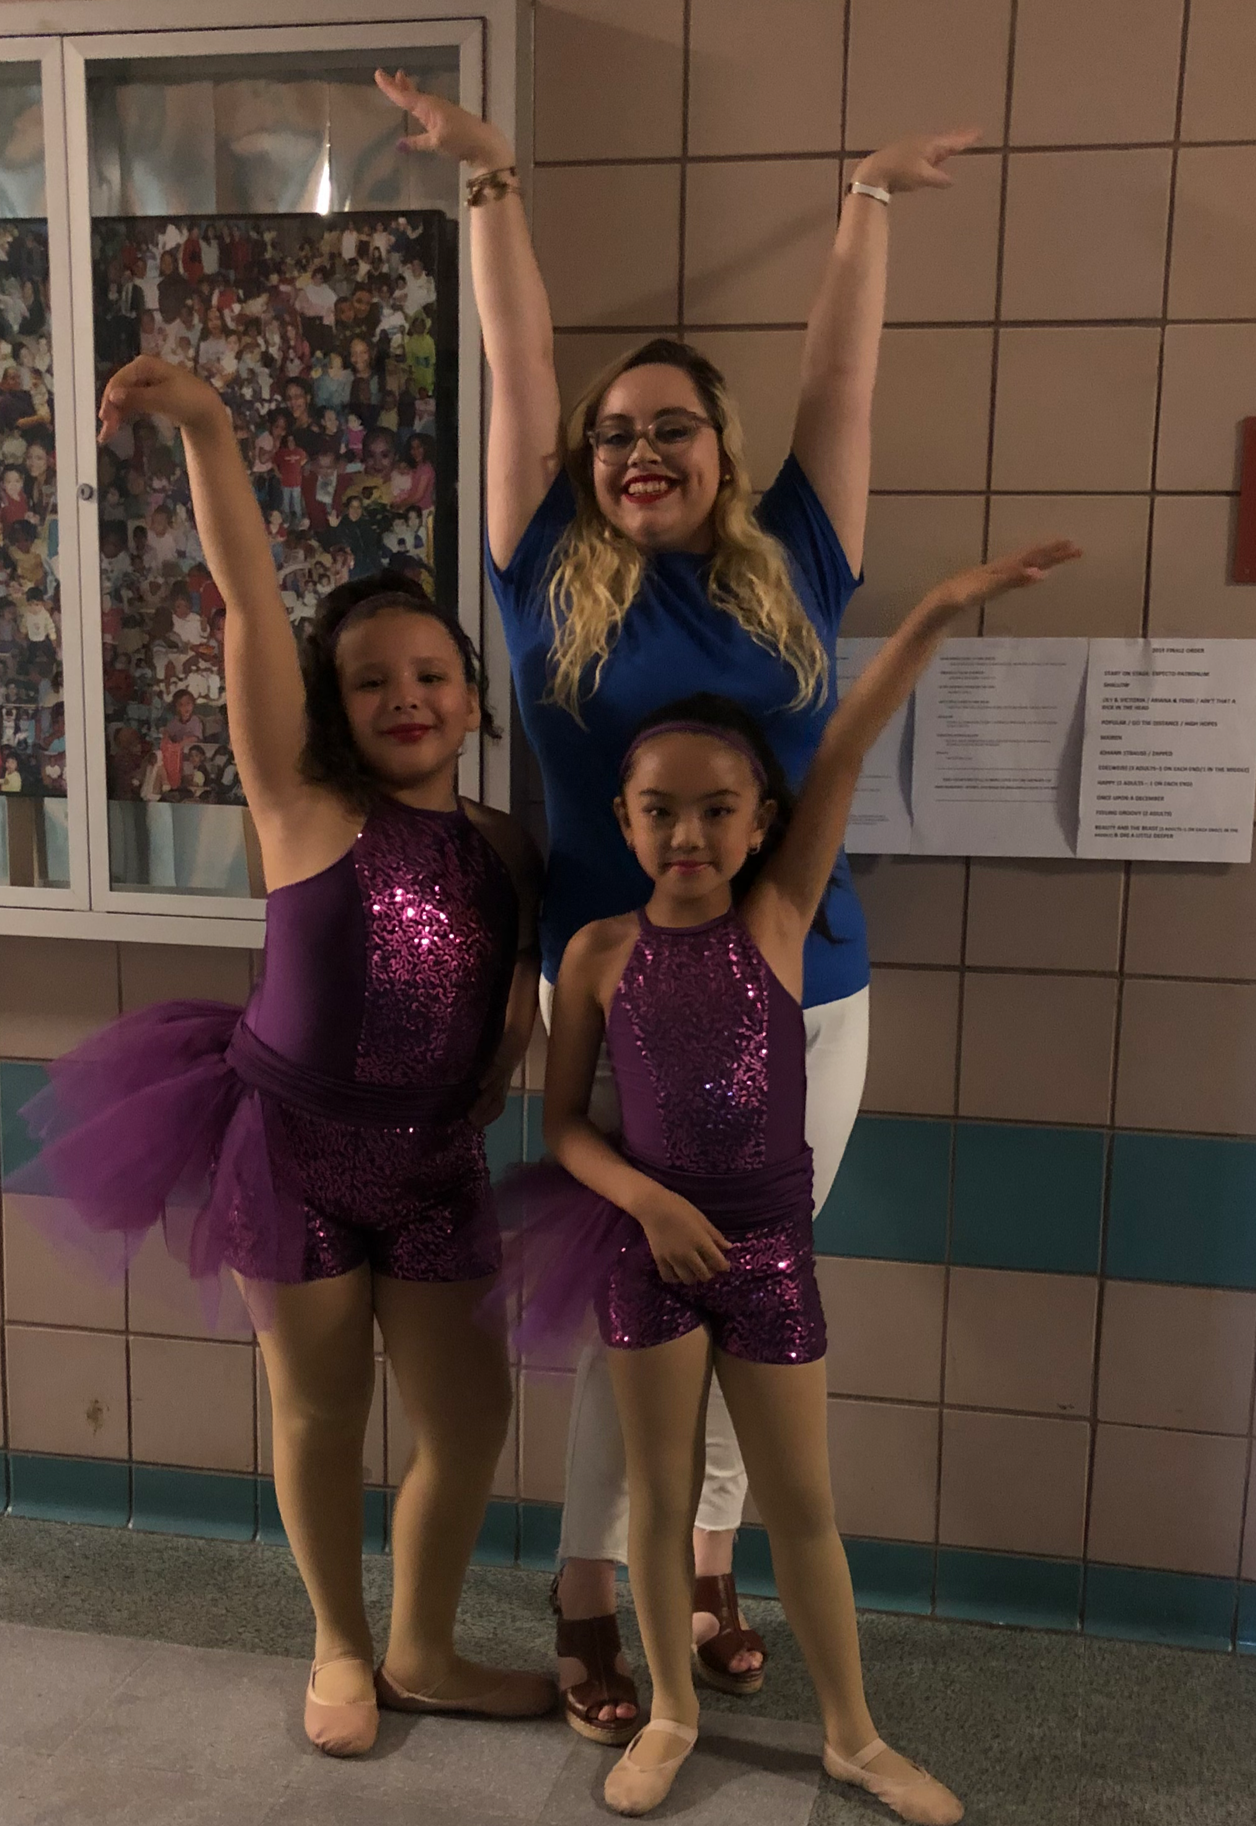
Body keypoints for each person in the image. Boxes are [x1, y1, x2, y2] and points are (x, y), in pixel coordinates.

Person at [375, 65, 979, 1739]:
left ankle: (704, 1562)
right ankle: (585, 1580)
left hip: (809, 988)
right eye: (616, 430)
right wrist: (491, 179)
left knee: (755, 1270)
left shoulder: (798, 555)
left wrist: (861, 204)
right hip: (605, 981)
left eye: (674, 426)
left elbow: (840, 379)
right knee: (633, 1278)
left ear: (722, 451)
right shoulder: (535, 565)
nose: (639, 447)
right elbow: (517, 358)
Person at [8, 355, 553, 1755]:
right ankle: (340, 1643)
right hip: (295, 1147)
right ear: (332, 706)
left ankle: (425, 1643)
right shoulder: (303, 806)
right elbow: (251, 600)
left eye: (432, 673)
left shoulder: (503, 844)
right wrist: (208, 427)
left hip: (435, 1161)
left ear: (475, 700)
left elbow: (506, 974)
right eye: (372, 681)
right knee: (320, 1408)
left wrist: (508, 1046)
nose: (407, 696)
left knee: (471, 1409)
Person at [523, 538, 1080, 1816]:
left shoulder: (776, 919)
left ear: (762, 820)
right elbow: (560, 1126)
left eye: (719, 805)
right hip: (651, 1248)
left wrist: (938, 603)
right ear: (619, 818)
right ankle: (668, 1706)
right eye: (658, 806)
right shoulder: (599, 953)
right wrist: (648, 1202)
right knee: (657, 1495)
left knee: (802, 1505)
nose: (687, 829)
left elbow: (845, 742)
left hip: (769, 1251)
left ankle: (851, 1731)